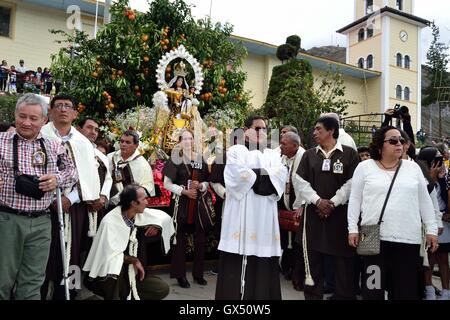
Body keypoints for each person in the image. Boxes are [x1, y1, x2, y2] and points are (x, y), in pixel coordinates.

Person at [0, 93, 77, 300]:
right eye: (22, 116)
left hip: (41, 222)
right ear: (15, 115)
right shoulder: (1, 141)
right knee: (2, 279)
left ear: (45, 120)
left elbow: (72, 172)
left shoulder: (53, 146)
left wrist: (56, 179)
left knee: (33, 280)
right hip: (7, 219)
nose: (26, 123)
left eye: (33, 119)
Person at [347, 126, 439, 300]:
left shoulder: (413, 168)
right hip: (371, 236)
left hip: (407, 238)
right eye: (393, 140)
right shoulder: (364, 167)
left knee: (405, 292)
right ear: (380, 146)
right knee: (372, 291)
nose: (399, 144)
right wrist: (352, 228)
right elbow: (355, 200)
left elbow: (424, 201)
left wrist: (432, 230)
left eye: (401, 141)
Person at [215, 115, 288, 300]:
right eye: (257, 128)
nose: (262, 132)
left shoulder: (273, 154)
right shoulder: (235, 151)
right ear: (246, 130)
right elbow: (236, 176)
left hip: (264, 219)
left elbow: (279, 177)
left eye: (264, 128)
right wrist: (265, 176)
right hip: (240, 217)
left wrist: (253, 175)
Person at [41, 93, 102, 300]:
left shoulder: (83, 143)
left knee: (72, 252)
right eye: (58, 105)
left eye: (68, 106)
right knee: (44, 253)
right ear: (50, 111)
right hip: (42, 206)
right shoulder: (41, 135)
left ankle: (68, 292)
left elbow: (88, 177)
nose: (63, 109)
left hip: (73, 206)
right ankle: (40, 292)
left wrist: (72, 198)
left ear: (75, 113)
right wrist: (51, 200)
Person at [293, 116, 360, 300]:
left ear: (331, 131)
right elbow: (300, 182)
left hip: (339, 218)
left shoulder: (349, 154)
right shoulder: (309, 155)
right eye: (314, 129)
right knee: (313, 267)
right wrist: (317, 201)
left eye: (319, 129)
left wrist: (332, 202)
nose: (314, 133)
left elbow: (352, 182)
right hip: (313, 219)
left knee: (342, 269)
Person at [83, 184, 172, 300]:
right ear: (133, 203)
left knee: (161, 288)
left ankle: (130, 294)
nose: (147, 202)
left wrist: (156, 226)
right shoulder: (110, 222)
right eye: (144, 199)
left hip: (132, 278)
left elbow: (165, 218)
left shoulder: (139, 214)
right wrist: (133, 260)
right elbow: (108, 256)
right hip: (110, 277)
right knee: (114, 264)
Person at [163, 129, 210, 288]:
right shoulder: (175, 159)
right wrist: (184, 191)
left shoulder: (199, 158)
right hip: (180, 203)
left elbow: (207, 182)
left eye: (191, 138)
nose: (188, 142)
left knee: (201, 239)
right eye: (185, 139)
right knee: (180, 239)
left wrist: (201, 186)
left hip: (197, 203)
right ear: (179, 141)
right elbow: (167, 184)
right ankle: (180, 275)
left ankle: (198, 274)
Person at [417, 146, 450, 300]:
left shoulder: (444, 178)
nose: (439, 165)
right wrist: (431, 178)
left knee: (443, 258)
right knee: (427, 259)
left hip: (442, 224)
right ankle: (428, 289)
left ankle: (446, 292)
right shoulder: (421, 177)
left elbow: (443, 199)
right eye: (435, 161)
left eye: (440, 161)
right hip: (425, 225)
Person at [278, 132, 305, 289]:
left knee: (298, 244)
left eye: (284, 144)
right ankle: (288, 269)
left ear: (295, 146)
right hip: (287, 205)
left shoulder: (304, 156)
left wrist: (302, 205)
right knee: (288, 242)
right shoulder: (283, 157)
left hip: (300, 208)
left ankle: (298, 276)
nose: (281, 146)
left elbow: (306, 182)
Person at [78, 118, 113, 227]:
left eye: (96, 130)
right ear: (78, 129)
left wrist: (103, 197)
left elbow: (108, 178)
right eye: (89, 127)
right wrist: (89, 198)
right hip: (78, 203)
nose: (93, 132)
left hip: (98, 204)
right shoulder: (72, 149)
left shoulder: (101, 155)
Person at [108, 131, 155, 207]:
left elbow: (148, 186)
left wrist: (132, 197)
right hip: (110, 204)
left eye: (128, 142)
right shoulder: (110, 158)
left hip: (131, 207)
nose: (123, 144)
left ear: (136, 145)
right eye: (122, 141)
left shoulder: (143, 164)